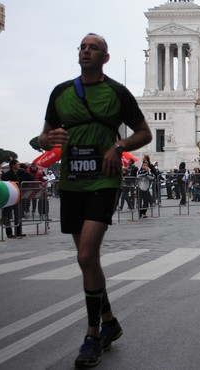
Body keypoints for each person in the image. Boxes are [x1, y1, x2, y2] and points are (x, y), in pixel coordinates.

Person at [38, 32, 152, 368]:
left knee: (87, 254)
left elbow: (143, 131)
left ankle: (92, 334)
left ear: (105, 57)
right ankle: (111, 322)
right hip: (73, 181)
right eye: (83, 47)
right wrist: (47, 138)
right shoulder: (60, 93)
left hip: (104, 179)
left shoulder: (117, 92)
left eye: (94, 48)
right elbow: (44, 136)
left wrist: (118, 147)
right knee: (87, 260)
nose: (86, 51)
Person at [1, 159, 28, 238]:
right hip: (9, 198)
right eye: (17, 164)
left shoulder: (20, 173)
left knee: (18, 215)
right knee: (7, 216)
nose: (19, 166)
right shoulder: (6, 174)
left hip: (17, 196)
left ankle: (18, 232)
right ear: (13, 165)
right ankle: (9, 233)